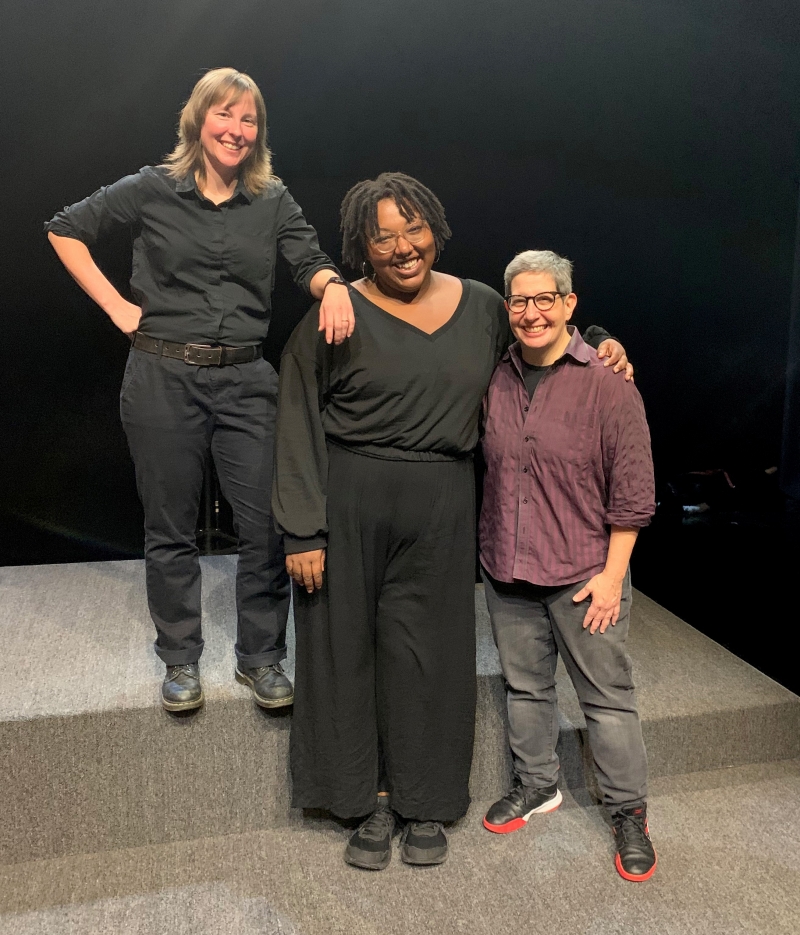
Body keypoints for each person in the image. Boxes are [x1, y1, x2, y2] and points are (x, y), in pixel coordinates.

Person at [272, 173, 631, 869]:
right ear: (361, 246)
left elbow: (542, 340)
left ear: (435, 227)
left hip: (442, 497)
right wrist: (302, 528)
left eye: (414, 228)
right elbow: (294, 413)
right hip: (349, 497)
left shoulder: (483, 306)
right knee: (345, 647)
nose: (403, 247)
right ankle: (365, 799)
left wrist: (603, 339)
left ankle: (425, 800)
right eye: (384, 235)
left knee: (430, 652)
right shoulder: (339, 310)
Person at [45, 68, 354, 712]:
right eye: (225, 115)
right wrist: (117, 307)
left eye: (248, 121)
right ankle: (180, 658)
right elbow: (64, 228)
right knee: (171, 527)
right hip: (163, 375)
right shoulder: (154, 188)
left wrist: (334, 287)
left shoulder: (272, 199)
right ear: (198, 120)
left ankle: (261, 657)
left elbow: (309, 259)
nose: (236, 130)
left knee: (265, 525)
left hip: (245, 379)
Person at [479, 250, 657, 881]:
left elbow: (634, 495)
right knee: (526, 689)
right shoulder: (494, 378)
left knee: (606, 702)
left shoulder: (608, 384)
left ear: (569, 305)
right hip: (508, 569)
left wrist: (612, 578)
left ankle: (628, 814)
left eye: (544, 299)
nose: (532, 313)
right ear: (509, 309)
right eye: (520, 302)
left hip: (586, 578)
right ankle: (538, 784)